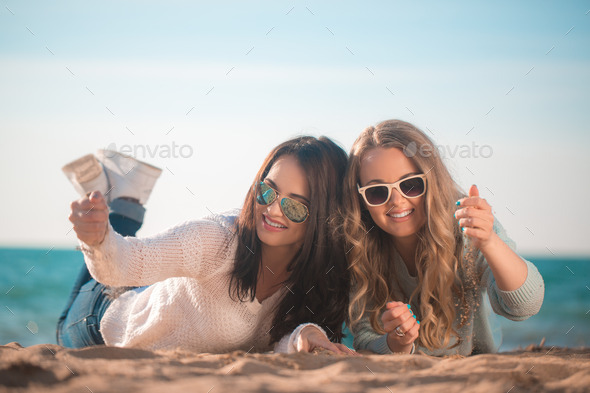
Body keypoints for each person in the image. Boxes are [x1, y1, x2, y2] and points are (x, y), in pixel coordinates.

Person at [57, 137, 354, 355]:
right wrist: (96, 238)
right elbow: (125, 264)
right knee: (61, 329)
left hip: (148, 302)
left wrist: (306, 337)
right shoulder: (217, 239)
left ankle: (123, 197)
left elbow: (281, 342)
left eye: (295, 207)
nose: (273, 210)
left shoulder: (317, 278)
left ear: (324, 217)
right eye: (267, 192)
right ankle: (120, 204)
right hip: (104, 322)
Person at [315, 119, 544, 356]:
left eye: (411, 185)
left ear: (432, 181)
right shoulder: (359, 244)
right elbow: (365, 338)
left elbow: (524, 306)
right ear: (360, 199)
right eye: (377, 191)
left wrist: (489, 242)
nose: (396, 201)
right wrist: (397, 343)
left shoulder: (465, 223)